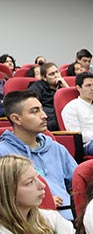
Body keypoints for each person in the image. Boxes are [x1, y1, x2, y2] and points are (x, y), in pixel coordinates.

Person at [0, 91, 77, 220]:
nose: (44, 115)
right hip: (29, 222)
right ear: (16, 119)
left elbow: (77, 183)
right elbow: (5, 199)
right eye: (34, 111)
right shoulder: (4, 153)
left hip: (69, 218)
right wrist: (43, 201)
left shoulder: (55, 147)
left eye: (41, 109)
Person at [28, 62, 69, 131]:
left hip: (64, 118)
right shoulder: (37, 87)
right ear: (44, 78)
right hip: (47, 120)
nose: (56, 76)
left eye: (57, 72)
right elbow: (31, 103)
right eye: (52, 74)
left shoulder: (63, 86)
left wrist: (66, 87)